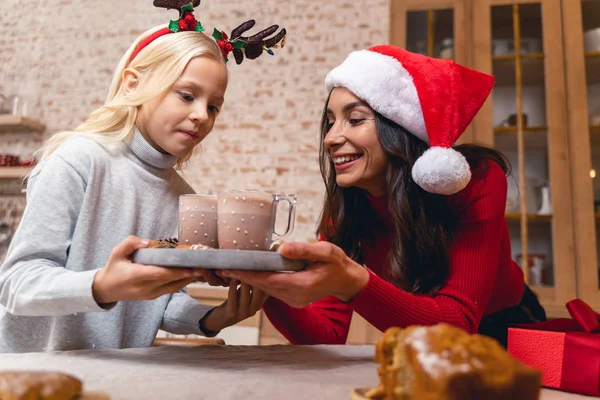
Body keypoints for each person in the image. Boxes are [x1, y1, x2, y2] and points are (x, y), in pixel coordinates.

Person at [0, 1, 286, 353]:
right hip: (35, 379)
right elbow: (17, 284)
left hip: (117, 382)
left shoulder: (183, 197)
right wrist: (103, 286)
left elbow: (158, 301)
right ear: (133, 85)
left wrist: (215, 316)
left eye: (213, 106)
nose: (202, 116)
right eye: (186, 95)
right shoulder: (78, 161)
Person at [218, 45, 547, 348]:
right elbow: (326, 334)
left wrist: (354, 282)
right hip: (419, 339)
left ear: (399, 127)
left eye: (355, 119)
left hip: (506, 334)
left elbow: (458, 322)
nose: (331, 138)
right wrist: (265, 280)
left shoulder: (474, 181)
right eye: (329, 123)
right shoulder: (347, 207)